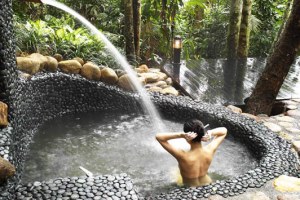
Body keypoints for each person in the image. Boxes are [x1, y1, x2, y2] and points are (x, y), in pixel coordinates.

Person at [156, 119, 227, 187]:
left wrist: (181, 135)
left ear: (187, 136)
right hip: (208, 183)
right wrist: (210, 133)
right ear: (202, 133)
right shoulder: (210, 150)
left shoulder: (182, 156)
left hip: (191, 189)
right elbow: (224, 130)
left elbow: (159, 137)